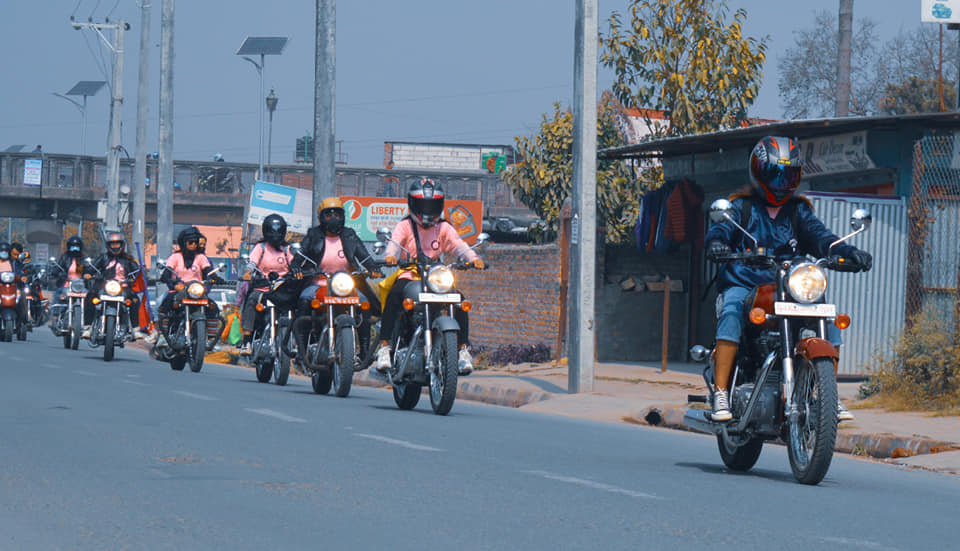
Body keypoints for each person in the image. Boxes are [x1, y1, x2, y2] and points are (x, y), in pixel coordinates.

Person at [704, 136, 873, 423]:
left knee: (828, 319)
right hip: (746, 283)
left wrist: (849, 251)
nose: (782, 182)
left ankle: (827, 395)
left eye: (789, 175)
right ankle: (721, 392)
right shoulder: (741, 207)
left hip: (789, 286)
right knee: (732, 310)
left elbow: (823, 239)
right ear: (758, 171)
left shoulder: (799, 211)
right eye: (775, 174)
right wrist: (717, 244)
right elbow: (720, 231)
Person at [375, 178, 484, 375]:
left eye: (432, 204)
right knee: (394, 296)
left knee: (459, 301)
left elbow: (458, 245)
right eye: (423, 204)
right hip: (411, 273)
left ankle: (462, 351)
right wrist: (390, 256)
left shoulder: (443, 227)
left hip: (436, 276)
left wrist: (473, 258)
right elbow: (394, 243)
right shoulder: (405, 225)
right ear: (413, 203)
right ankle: (384, 347)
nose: (427, 209)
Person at [288, 197, 381, 361]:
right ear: (321, 218)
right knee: (304, 299)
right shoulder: (313, 235)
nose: (333, 219)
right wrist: (296, 268)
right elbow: (300, 255)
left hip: (345, 284)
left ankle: (365, 352)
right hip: (318, 283)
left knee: (365, 304)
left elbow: (364, 256)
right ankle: (302, 348)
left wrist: (373, 268)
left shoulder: (349, 235)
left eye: (337, 215)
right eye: (328, 215)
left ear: (343, 217)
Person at [238, 214, 294, 354]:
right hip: (263, 288)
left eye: (279, 231)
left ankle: (297, 342)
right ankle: (247, 341)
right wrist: (248, 272)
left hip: (283, 289)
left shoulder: (288, 249)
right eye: (272, 231)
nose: (275, 234)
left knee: (299, 304)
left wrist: (299, 272)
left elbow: (295, 264)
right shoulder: (260, 247)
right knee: (251, 300)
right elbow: (252, 262)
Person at [157, 227, 221, 335]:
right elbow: (166, 273)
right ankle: (163, 336)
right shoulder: (175, 257)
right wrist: (172, 283)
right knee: (166, 306)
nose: (193, 245)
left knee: (213, 308)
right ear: (183, 243)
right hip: (178, 291)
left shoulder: (201, 257)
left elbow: (209, 271)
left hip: (196, 292)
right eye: (190, 242)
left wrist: (217, 279)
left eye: (196, 242)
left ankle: (209, 338)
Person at [86, 232, 145, 339]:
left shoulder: (128, 259)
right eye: (113, 245)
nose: (115, 247)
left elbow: (137, 271)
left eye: (117, 244)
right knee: (91, 297)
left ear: (122, 245)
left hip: (123, 286)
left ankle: (135, 329)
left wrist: (140, 273)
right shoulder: (103, 258)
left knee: (135, 300)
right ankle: (88, 327)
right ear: (108, 246)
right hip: (104, 285)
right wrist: (88, 273)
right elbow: (92, 268)